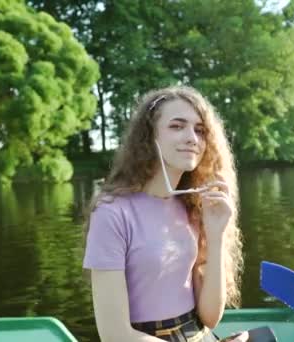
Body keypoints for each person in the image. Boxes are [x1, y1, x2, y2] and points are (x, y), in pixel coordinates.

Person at [83, 86, 248, 341]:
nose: (192, 138)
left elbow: (210, 318)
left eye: (200, 130)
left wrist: (215, 235)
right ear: (150, 138)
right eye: (177, 126)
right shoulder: (112, 213)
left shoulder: (193, 205)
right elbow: (115, 335)